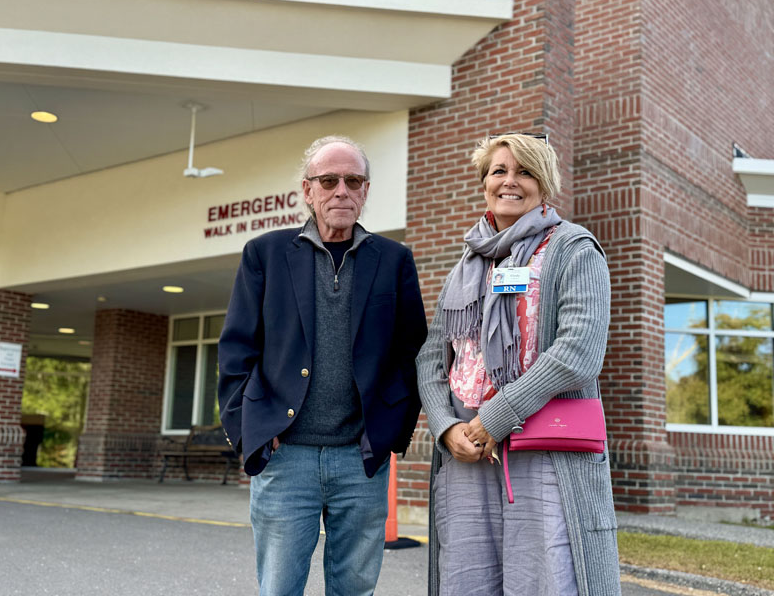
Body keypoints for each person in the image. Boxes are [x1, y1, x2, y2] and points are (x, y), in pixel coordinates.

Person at [218, 135, 427, 596]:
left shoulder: (394, 260)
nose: (341, 191)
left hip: (361, 459)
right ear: (307, 191)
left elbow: (412, 351)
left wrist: (394, 430)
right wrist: (249, 430)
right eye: (328, 180)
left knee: (354, 589)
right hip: (285, 457)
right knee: (280, 588)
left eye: (353, 181)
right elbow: (236, 351)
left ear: (366, 191)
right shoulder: (265, 254)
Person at [417, 133, 621, 595]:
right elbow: (432, 356)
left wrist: (497, 417)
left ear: (544, 183)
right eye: (498, 171)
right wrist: (446, 428)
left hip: (544, 446)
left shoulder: (573, 249)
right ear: (484, 182)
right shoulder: (467, 263)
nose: (510, 181)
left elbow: (579, 352)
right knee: (466, 582)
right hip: (468, 450)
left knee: (545, 581)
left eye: (525, 171)